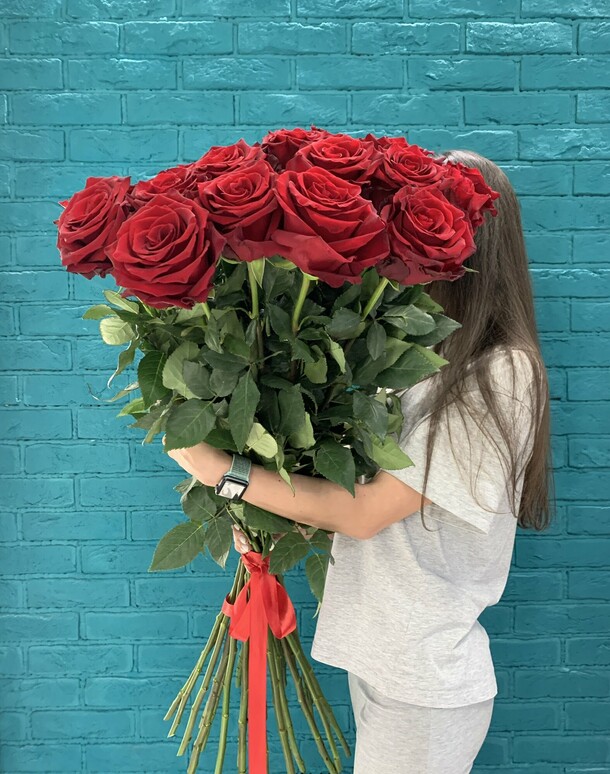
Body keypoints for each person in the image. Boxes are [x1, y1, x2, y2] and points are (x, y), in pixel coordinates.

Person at [165, 149, 555, 774]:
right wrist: (278, 517)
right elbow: (387, 509)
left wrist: (228, 475)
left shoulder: (502, 372)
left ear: (470, 241)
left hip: (424, 679)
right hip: (388, 661)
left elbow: (369, 513)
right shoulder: (419, 358)